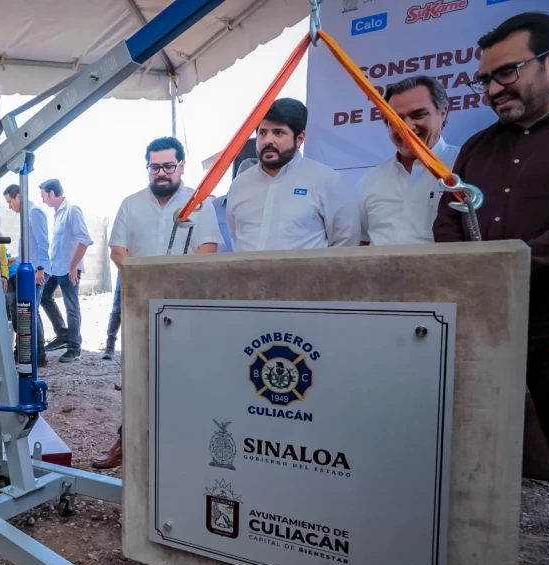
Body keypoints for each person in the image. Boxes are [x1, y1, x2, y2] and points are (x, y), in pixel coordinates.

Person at [432, 11, 549, 565]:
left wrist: (506, 266)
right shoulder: (478, 148)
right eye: (484, 79)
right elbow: (448, 221)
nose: (492, 88)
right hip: (482, 316)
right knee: (468, 441)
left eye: (506, 71)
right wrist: (475, 279)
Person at [93, 136, 223, 469]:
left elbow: (208, 248)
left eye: (168, 166)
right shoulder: (131, 204)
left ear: (181, 165)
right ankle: (127, 443)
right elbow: (117, 251)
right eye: (154, 167)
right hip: (139, 307)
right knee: (137, 378)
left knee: (182, 377)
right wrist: (146, 280)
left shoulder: (200, 203)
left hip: (184, 308)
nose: (161, 173)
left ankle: (181, 449)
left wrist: (173, 281)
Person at [226, 98, 360, 251]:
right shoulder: (239, 185)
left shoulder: (327, 181)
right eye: (262, 133)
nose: (267, 141)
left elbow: (346, 244)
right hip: (246, 275)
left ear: (300, 138)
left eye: (278, 133)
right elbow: (236, 239)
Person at [358, 76, 460, 246]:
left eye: (418, 115)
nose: (408, 128)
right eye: (395, 120)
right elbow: (362, 242)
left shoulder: (465, 167)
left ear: (443, 113)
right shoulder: (369, 181)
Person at [39, 179, 93, 362]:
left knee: (72, 307)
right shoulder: (56, 214)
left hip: (68, 269)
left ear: (52, 194)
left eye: (44, 196)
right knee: (44, 297)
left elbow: (84, 240)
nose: (43, 200)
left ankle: (74, 347)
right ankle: (62, 333)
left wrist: (73, 267)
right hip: (55, 268)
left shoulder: (72, 210)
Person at [3, 183, 50, 367]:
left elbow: (43, 243)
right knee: (23, 310)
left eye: (10, 202)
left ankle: (39, 355)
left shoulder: (35, 212)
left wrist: (40, 268)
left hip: (35, 272)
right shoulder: (26, 215)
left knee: (31, 312)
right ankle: (25, 351)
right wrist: (15, 259)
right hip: (27, 269)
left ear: (19, 197)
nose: (9, 206)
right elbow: (29, 249)